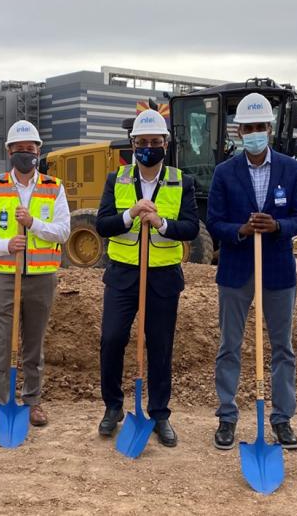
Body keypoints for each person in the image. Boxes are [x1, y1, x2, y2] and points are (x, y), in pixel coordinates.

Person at [206, 93, 297, 450]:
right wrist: (241, 230)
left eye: (259, 127)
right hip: (236, 270)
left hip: (278, 270)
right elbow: (214, 221)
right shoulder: (224, 172)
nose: (253, 133)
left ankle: (282, 420)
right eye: (247, 128)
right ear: (238, 131)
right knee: (229, 346)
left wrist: (277, 226)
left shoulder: (291, 169)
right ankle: (227, 417)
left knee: (283, 348)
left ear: (270, 129)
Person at [95, 109, 199, 447]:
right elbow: (103, 225)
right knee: (111, 340)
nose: (148, 147)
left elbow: (192, 228)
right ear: (132, 144)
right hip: (123, 275)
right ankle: (113, 407)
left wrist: (161, 224)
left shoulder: (182, 181)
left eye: (155, 142)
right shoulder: (118, 179)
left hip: (163, 277)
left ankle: (159, 413)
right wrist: (129, 215)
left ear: (165, 144)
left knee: (160, 346)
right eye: (142, 142)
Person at [0, 120, 71, 426]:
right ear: (9, 152)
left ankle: (32, 401)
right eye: (18, 150)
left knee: (33, 343)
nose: (24, 154)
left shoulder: (54, 187)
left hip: (42, 276)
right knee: (4, 341)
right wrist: (6, 244)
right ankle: (4, 401)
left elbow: (63, 231)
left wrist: (33, 224)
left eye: (30, 149)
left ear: (39, 151)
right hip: (3, 275)